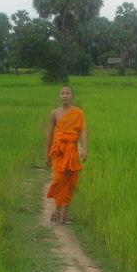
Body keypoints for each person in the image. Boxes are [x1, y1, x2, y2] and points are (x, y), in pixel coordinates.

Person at [46, 86, 88, 224]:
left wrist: (85, 149)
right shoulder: (55, 113)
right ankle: (57, 210)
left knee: (71, 181)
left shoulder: (79, 113)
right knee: (58, 180)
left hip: (72, 151)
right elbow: (50, 133)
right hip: (59, 151)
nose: (65, 95)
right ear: (59, 96)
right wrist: (48, 154)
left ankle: (65, 213)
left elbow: (82, 131)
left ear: (72, 96)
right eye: (62, 93)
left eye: (67, 93)